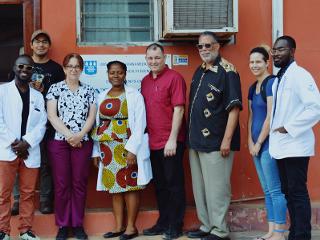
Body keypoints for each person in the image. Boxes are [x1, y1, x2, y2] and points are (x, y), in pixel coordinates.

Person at [187, 31, 242, 240]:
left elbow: (234, 108)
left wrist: (226, 140)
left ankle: (220, 230)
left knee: (217, 189)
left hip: (217, 142)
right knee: (200, 189)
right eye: (200, 46)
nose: (204, 50)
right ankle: (206, 225)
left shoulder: (228, 72)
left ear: (217, 47)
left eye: (208, 45)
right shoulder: (199, 71)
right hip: (196, 141)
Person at [91, 61, 152, 240]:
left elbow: (140, 124)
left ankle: (131, 228)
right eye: (112, 72)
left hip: (127, 147)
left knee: (130, 187)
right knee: (115, 188)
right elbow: (98, 125)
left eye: (119, 72)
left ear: (125, 74)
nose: (115, 75)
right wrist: (96, 152)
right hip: (107, 149)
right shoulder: (102, 95)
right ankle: (118, 227)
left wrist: (132, 150)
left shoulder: (134, 95)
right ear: (107, 75)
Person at [269, 35, 320, 240]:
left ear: (292, 51)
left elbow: (315, 108)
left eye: (281, 49)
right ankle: (295, 233)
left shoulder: (300, 75)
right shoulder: (279, 79)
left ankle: (302, 235)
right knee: (288, 193)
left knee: (297, 193)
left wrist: (288, 128)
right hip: (282, 146)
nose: (276, 53)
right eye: (274, 50)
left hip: (296, 145)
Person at [11, 29, 65, 215]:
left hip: (46, 123)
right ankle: (17, 200)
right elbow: (12, 92)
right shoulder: (22, 64)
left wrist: (42, 90)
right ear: (31, 45)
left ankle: (44, 200)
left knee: (45, 163)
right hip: (20, 121)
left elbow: (61, 94)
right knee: (17, 159)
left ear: (48, 46)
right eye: (37, 41)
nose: (41, 44)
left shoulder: (56, 69)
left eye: (44, 41)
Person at [46, 53, 96, 240]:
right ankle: (62, 225)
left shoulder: (90, 91)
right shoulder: (55, 89)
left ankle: (77, 224)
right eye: (70, 66)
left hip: (82, 142)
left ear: (81, 69)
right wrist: (69, 136)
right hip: (60, 142)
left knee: (79, 183)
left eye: (77, 66)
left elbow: (91, 116)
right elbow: (52, 115)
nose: (73, 69)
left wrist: (80, 135)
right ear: (64, 68)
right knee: (61, 184)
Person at [141, 43, 187, 240]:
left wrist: (172, 140)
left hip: (171, 142)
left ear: (164, 57)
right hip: (152, 142)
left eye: (157, 58)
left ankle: (176, 225)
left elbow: (179, 109)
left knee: (174, 184)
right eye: (150, 58)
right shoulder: (144, 81)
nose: (153, 62)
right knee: (159, 185)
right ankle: (163, 222)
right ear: (146, 59)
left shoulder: (175, 78)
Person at [0, 54, 47, 240]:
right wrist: (15, 142)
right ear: (14, 68)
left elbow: (42, 123)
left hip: (29, 150)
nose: (24, 71)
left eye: (28, 68)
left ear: (33, 71)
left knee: (28, 194)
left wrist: (27, 142)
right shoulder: (2, 92)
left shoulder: (37, 96)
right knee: (3, 194)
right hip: (6, 149)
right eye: (21, 67)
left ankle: (25, 230)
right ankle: (3, 231)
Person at [247, 46, 287, 240]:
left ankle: (280, 233)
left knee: (275, 190)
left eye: (258, 61)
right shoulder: (251, 87)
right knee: (267, 190)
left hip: (268, 144)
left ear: (266, 63)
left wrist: (259, 142)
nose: (254, 65)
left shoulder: (271, 83)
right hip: (255, 145)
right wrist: (249, 140)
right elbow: (251, 116)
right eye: (251, 62)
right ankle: (270, 231)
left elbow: (270, 117)